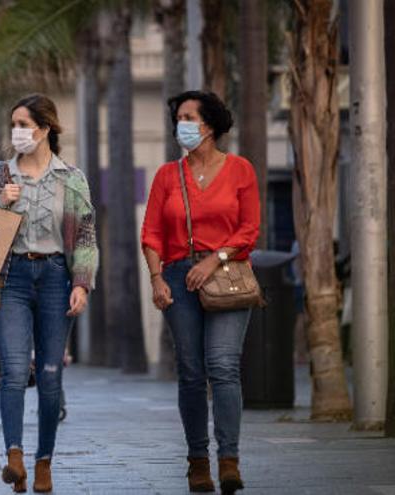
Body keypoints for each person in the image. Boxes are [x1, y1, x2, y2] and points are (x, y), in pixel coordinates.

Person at [0, 94, 98, 493]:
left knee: (49, 374)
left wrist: (82, 283)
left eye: (24, 124)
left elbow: (87, 237)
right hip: (12, 280)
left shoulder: (71, 178)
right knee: (12, 371)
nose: (17, 132)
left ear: (44, 130)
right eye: (14, 124)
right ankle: (14, 457)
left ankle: (44, 461)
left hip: (56, 278)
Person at [141, 90, 259, 494]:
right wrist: (157, 278)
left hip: (226, 275)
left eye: (189, 117)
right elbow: (152, 233)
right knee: (191, 373)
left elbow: (249, 229)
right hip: (177, 277)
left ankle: (229, 460)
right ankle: (197, 462)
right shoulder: (166, 176)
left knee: (223, 367)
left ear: (209, 125)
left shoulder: (241, 170)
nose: (182, 125)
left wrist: (215, 259)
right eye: (179, 117)